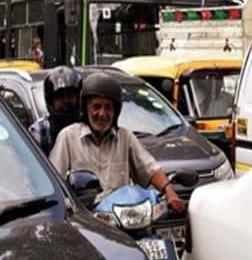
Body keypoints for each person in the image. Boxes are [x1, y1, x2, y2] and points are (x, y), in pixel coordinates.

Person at [50, 72, 185, 212]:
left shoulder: (125, 137)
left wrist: (170, 192)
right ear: (86, 109)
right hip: (85, 220)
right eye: (96, 107)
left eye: (108, 107)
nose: (102, 114)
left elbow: (150, 169)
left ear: (116, 112)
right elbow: (53, 183)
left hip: (124, 218)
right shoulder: (68, 137)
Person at [29, 67, 82, 156]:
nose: (66, 101)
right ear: (51, 101)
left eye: (70, 96)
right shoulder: (40, 132)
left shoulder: (86, 129)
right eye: (60, 97)